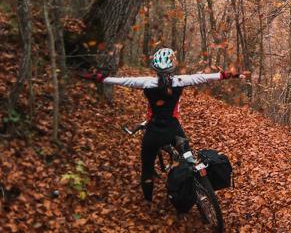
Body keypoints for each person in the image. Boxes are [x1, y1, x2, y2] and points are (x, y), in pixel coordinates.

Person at [85, 48, 243, 201]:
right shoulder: (179, 81)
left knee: (147, 167)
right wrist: (225, 75)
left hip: (153, 132)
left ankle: (148, 200)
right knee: (189, 158)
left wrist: (102, 78)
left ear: (155, 67)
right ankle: (198, 184)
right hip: (174, 130)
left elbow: (125, 81)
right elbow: (201, 78)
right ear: (172, 67)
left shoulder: (147, 83)